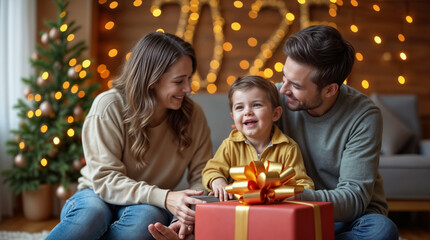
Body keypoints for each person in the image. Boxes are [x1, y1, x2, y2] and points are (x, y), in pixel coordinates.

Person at [46, 32, 213, 240]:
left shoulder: (193, 115)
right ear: (152, 79)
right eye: (179, 81)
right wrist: (166, 196)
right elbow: (105, 178)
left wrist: (187, 214)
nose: (188, 89)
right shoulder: (108, 106)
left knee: (149, 219)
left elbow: (204, 175)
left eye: (189, 79)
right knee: (92, 214)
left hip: (148, 203)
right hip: (97, 194)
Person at [276, 24, 398, 239]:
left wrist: (287, 195)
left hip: (348, 220)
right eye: (283, 77)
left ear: (330, 89)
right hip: (292, 213)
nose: (283, 89)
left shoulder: (364, 115)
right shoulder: (275, 99)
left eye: (295, 85)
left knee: (381, 230)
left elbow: (353, 199)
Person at [202, 75, 314, 201]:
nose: (247, 112)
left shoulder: (288, 148)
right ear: (233, 116)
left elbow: (303, 183)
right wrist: (218, 182)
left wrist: (288, 194)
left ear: (275, 114)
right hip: (238, 211)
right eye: (240, 107)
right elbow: (211, 169)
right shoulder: (230, 145)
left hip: (274, 212)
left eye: (256, 105)